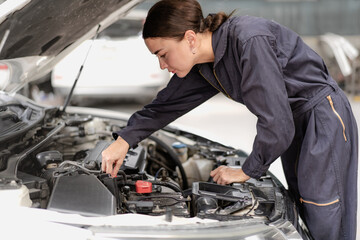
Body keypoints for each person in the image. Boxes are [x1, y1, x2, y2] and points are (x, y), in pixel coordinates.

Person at [101, 0, 358, 239]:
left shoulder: (248, 41)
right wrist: (123, 140)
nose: (161, 65)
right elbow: (165, 106)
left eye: (163, 54)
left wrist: (247, 171)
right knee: (305, 209)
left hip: (322, 119)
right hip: (296, 123)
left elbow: (276, 123)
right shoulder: (205, 65)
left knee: (324, 213)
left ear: (190, 38)